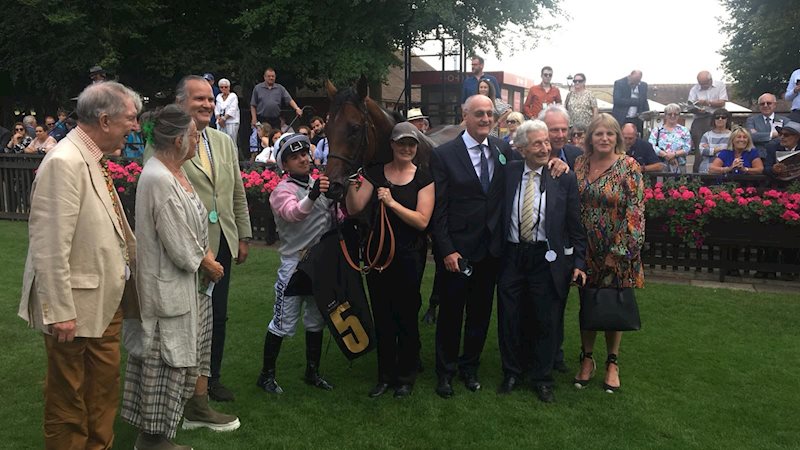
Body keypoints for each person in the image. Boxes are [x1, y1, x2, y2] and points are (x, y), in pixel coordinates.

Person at [18, 81, 141, 449]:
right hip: (74, 309)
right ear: (105, 120)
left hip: (102, 303)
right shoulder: (64, 161)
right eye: (130, 119)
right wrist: (59, 311)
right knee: (68, 399)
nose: (135, 126)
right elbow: (49, 244)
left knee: (101, 391)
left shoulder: (90, 158)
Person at [121, 105, 239, 450]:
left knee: (179, 362)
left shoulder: (172, 171)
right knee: (163, 365)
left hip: (185, 287)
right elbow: (177, 240)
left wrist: (205, 257)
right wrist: (208, 264)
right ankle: (153, 441)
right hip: (166, 288)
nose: (197, 140)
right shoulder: (158, 177)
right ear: (176, 140)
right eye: (193, 135)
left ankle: (163, 434)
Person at [145, 75, 252, 403]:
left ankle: (210, 380)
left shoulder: (222, 141)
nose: (207, 104)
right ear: (181, 104)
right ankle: (179, 387)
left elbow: (236, 189)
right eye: (199, 99)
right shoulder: (162, 145)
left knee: (217, 315)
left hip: (221, 242)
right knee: (182, 317)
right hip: (183, 247)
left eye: (210, 99)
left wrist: (243, 235)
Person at [430, 94, 516, 398]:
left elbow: (531, 165)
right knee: (451, 315)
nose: (485, 119)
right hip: (457, 251)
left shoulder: (503, 150)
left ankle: (470, 367)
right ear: (464, 116)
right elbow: (438, 210)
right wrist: (446, 250)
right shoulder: (444, 155)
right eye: (479, 114)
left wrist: (558, 161)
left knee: (480, 314)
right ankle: (446, 372)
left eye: (490, 114)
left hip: (491, 250)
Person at [496, 119, 587, 403]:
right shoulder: (508, 172)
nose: (545, 148)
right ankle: (512, 371)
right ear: (521, 148)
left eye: (547, 142)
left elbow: (575, 225)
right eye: (537, 143)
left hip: (546, 259)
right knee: (509, 316)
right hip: (512, 255)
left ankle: (542, 377)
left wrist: (579, 262)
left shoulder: (563, 177)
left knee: (545, 319)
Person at [346, 122, 434, 398]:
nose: (406, 148)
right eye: (401, 143)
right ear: (392, 145)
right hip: (378, 256)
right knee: (382, 315)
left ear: (416, 147)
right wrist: (351, 186)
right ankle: (385, 375)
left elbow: (421, 221)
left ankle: (406, 376)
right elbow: (355, 207)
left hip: (408, 256)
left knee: (406, 314)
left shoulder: (424, 178)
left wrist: (392, 202)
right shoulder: (375, 174)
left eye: (411, 144)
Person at [257, 133, 335, 395]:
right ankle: (266, 375)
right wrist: (315, 195)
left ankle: (312, 372)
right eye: (295, 156)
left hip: (320, 264)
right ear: (284, 165)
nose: (303, 158)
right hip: (294, 264)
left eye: (304, 153)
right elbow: (293, 214)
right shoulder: (282, 191)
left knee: (315, 319)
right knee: (282, 321)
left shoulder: (318, 184)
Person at [573, 113, 645, 394]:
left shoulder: (629, 167)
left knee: (614, 304)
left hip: (618, 248)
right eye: (599, 133)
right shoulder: (579, 163)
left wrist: (619, 251)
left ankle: (612, 362)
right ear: (590, 137)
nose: (604, 138)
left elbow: (636, 212)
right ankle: (587, 358)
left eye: (610, 134)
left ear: (618, 138)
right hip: (585, 248)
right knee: (588, 302)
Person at [689, 71, 728, 172]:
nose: (702, 86)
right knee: (699, 149)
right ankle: (697, 175)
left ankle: (720, 168)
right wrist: (696, 109)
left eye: (704, 84)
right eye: (700, 84)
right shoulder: (694, 89)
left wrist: (707, 103)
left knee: (721, 143)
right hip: (700, 118)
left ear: (710, 80)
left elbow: (722, 102)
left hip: (716, 117)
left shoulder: (720, 85)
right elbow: (690, 106)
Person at [649, 103, 691, 173]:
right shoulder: (657, 130)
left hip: (679, 165)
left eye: (675, 114)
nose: (673, 116)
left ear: (679, 116)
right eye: (670, 114)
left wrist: (674, 154)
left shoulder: (684, 130)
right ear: (665, 115)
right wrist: (665, 155)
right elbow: (651, 146)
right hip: (661, 165)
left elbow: (687, 147)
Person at [698, 108, 732, 173]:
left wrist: (711, 149)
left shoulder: (732, 135)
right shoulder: (706, 135)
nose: (720, 119)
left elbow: (732, 152)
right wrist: (722, 148)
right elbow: (702, 151)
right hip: (707, 169)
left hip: (726, 169)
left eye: (723, 117)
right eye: (717, 117)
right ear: (713, 120)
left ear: (727, 119)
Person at [215, 78, 240, 150]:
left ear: (229, 87)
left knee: (231, 141)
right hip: (220, 123)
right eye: (222, 87)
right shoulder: (218, 97)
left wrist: (224, 119)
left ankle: (233, 160)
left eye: (226, 87)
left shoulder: (233, 96)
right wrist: (218, 118)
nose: (224, 89)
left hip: (231, 122)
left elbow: (232, 109)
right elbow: (216, 109)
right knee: (221, 142)